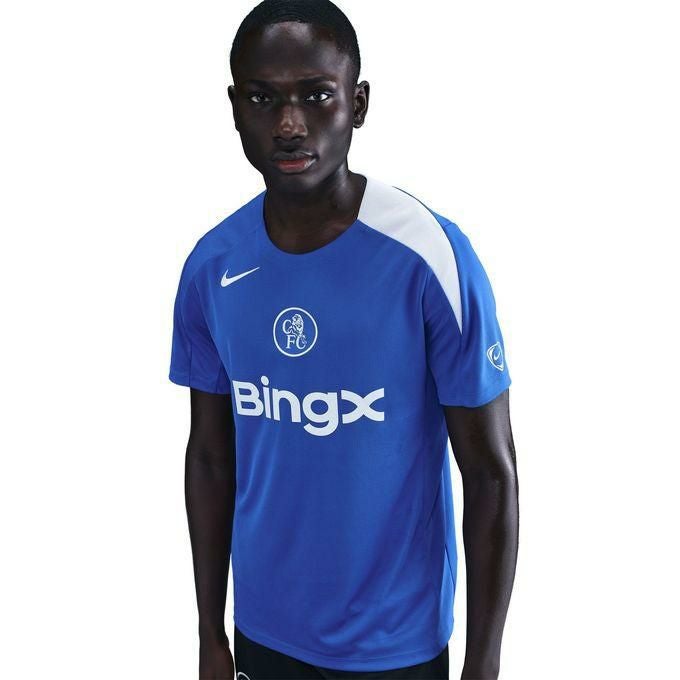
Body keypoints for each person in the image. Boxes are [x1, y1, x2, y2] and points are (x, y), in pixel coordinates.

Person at [169, 1, 519, 678]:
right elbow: (210, 457)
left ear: (357, 104)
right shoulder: (213, 266)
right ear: (235, 108)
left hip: (396, 647)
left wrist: (483, 665)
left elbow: (490, 473)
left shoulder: (430, 255)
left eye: (316, 95)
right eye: (264, 98)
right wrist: (210, 633)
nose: (290, 124)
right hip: (263, 633)